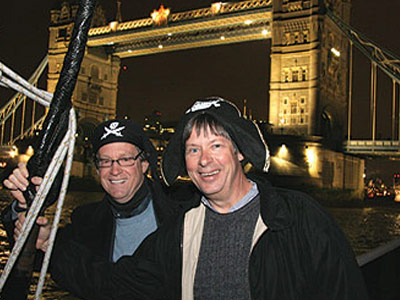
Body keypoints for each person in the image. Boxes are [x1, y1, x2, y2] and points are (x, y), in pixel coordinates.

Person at [8, 98, 369, 299]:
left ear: (240, 152)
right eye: (193, 149)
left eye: (216, 146)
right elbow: (115, 284)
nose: (204, 160)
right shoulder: (180, 232)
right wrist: (48, 242)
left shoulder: (299, 217)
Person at [2, 119, 177, 265]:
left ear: (144, 165)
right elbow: (34, 262)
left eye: (125, 159)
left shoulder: (179, 218)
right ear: (97, 169)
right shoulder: (83, 222)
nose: (115, 170)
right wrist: (25, 207)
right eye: (105, 161)